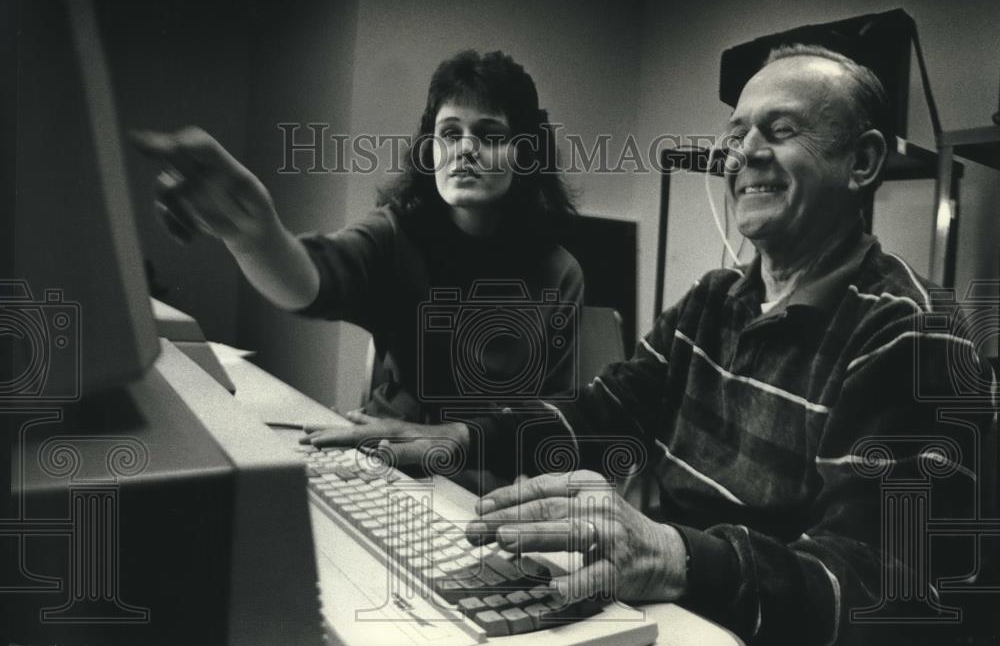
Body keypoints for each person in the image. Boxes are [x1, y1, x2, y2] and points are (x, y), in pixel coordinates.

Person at [328, 45, 994, 644]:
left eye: (781, 130)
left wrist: (674, 556)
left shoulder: (914, 333)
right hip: (675, 613)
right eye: (736, 135)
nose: (746, 153)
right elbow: (601, 412)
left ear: (864, 161)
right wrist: (462, 441)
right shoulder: (715, 299)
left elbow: (885, 587)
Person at [133, 50, 583, 438]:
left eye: (489, 135)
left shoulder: (559, 274)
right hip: (388, 464)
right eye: (449, 133)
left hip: (483, 486)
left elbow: (544, 426)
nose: (465, 150)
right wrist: (253, 235)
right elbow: (312, 280)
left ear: (524, 153)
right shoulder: (395, 235)